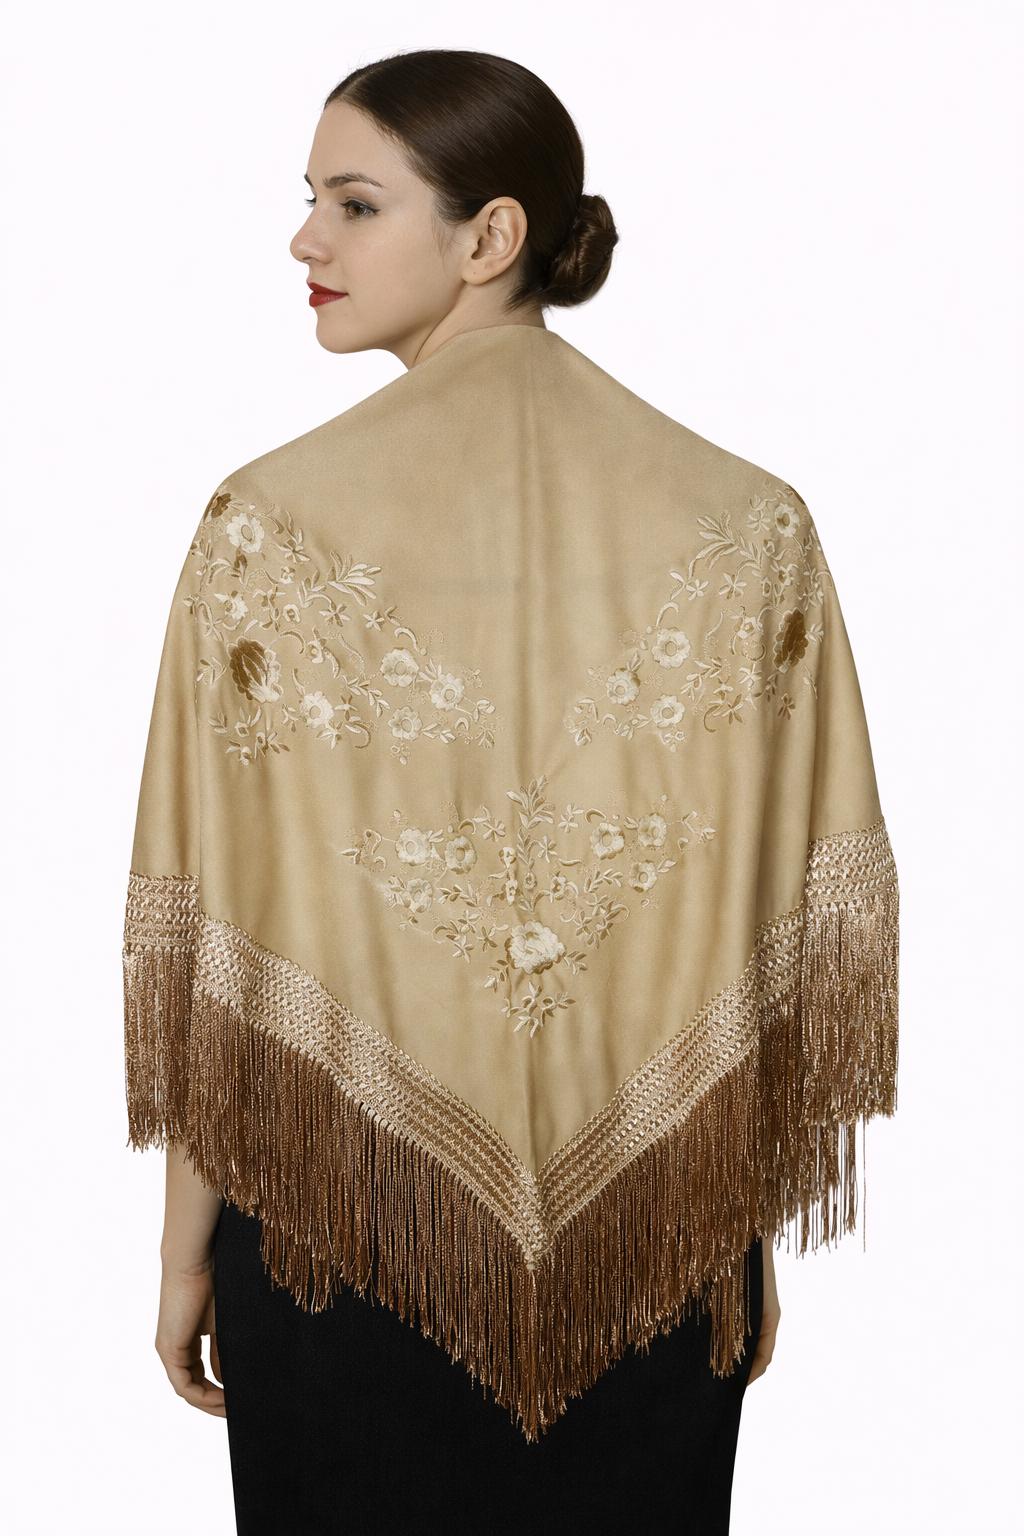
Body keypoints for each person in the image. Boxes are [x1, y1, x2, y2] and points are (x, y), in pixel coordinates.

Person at [124, 48, 897, 1536]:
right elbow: (776, 909)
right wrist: (731, 1226)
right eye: (311, 200)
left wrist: (182, 1253)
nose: (304, 240)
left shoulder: (267, 524)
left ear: (491, 235)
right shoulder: (752, 524)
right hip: (655, 1252)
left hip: (339, 1242)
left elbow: (220, 936)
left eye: (355, 204)